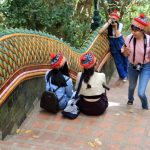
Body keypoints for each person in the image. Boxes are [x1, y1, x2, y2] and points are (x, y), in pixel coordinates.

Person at [122, 13, 150, 110]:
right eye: (132, 30)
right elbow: (125, 53)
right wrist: (125, 52)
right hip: (131, 66)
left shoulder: (149, 40)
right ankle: (130, 99)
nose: (133, 33)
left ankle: (145, 107)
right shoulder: (129, 38)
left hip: (145, 67)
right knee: (131, 87)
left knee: (141, 93)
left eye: (136, 31)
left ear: (142, 31)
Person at [107, 10, 128, 82]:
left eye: (114, 18)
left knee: (125, 57)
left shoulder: (120, 24)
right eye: (112, 18)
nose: (113, 20)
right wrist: (108, 23)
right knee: (117, 60)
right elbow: (100, 31)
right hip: (112, 42)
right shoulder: (108, 25)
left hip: (119, 40)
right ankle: (123, 75)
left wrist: (115, 27)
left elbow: (117, 35)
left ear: (117, 19)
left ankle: (126, 72)